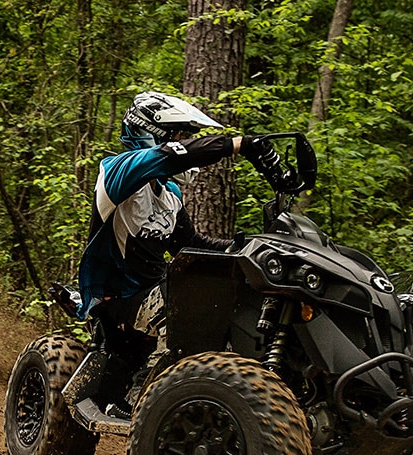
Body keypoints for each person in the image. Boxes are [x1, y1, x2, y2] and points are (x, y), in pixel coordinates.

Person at [77, 91, 285, 384]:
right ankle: (149, 384)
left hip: (155, 288)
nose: (182, 142)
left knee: (229, 288)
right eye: (178, 135)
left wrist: (249, 247)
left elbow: (191, 245)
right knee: (190, 291)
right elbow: (168, 156)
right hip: (118, 296)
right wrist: (239, 144)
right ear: (150, 132)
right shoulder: (118, 171)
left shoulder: (170, 195)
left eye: (184, 137)